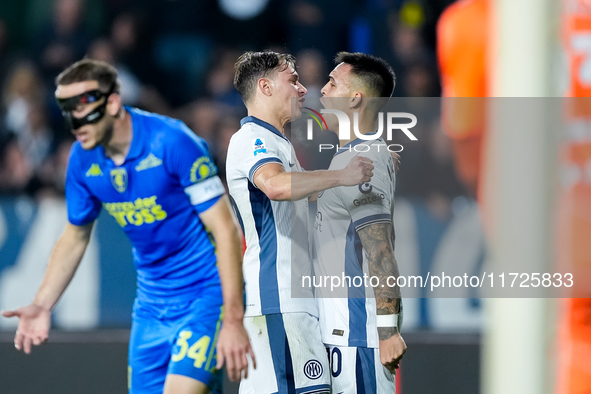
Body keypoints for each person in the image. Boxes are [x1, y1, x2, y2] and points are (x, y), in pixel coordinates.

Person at [1, 59, 254, 394]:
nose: (75, 122)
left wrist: (234, 319)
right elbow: (76, 235)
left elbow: (226, 230)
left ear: (113, 102)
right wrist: (42, 303)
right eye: (66, 110)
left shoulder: (173, 142)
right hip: (150, 306)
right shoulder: (82, 160)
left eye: (82, 108)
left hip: (204, 297)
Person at [226, 51, 374, 394]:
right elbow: (276, 187)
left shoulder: (278, 143)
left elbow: (311, 192)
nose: (304, 89)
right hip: (278, 302)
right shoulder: (252, 140)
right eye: (293, 80)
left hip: (287, 304)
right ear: (264, 86)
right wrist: (341, 175)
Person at [313, 52, 407, 393]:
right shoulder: (351, 158)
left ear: (355, 98)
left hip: (358, 335)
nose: (322, 90)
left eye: (332, 83)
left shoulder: (362, 160)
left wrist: (387, 332)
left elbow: (380, 251)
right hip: (342, 333)